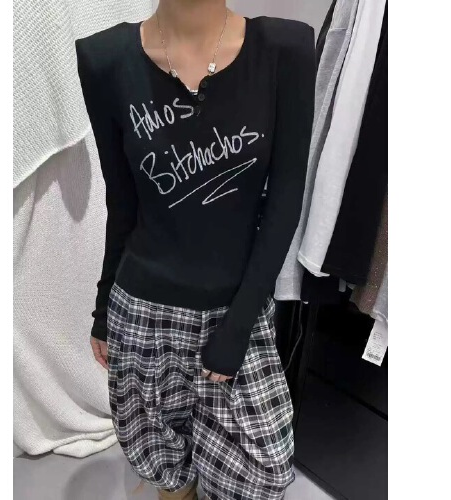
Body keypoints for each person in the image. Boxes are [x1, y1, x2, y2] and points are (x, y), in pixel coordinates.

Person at [75, 1, 315, 499]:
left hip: (235, 311)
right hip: (142, 313)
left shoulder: (284, 49)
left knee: (260, 471)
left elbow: (285, 201)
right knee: (163, 464)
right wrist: (103, 309)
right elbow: (122, 202)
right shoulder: (105, 58)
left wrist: (240, 324)